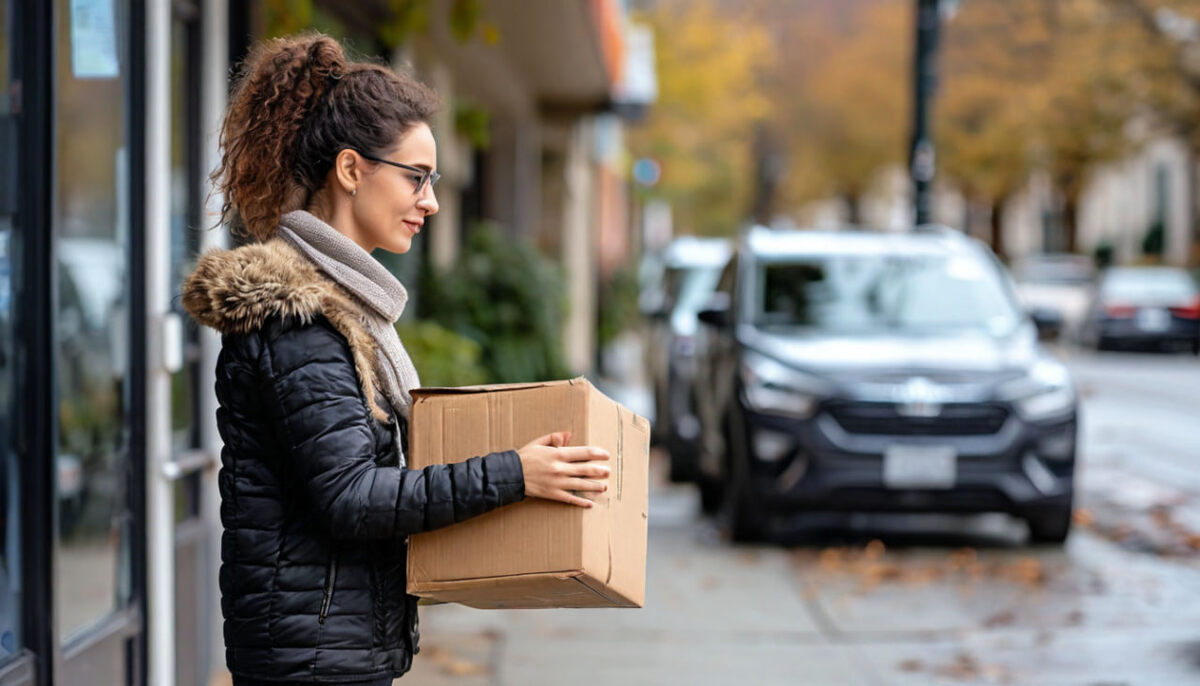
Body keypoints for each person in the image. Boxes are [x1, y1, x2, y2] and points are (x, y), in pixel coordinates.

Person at [182, 34, 611, 686]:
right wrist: (516, 474)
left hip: (331, 647)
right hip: (313, 661)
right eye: (416, 178)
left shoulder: (349, 311)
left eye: (432, 180)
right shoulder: (299, 317)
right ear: (352, 170)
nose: (431, 201)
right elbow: (353, 499)